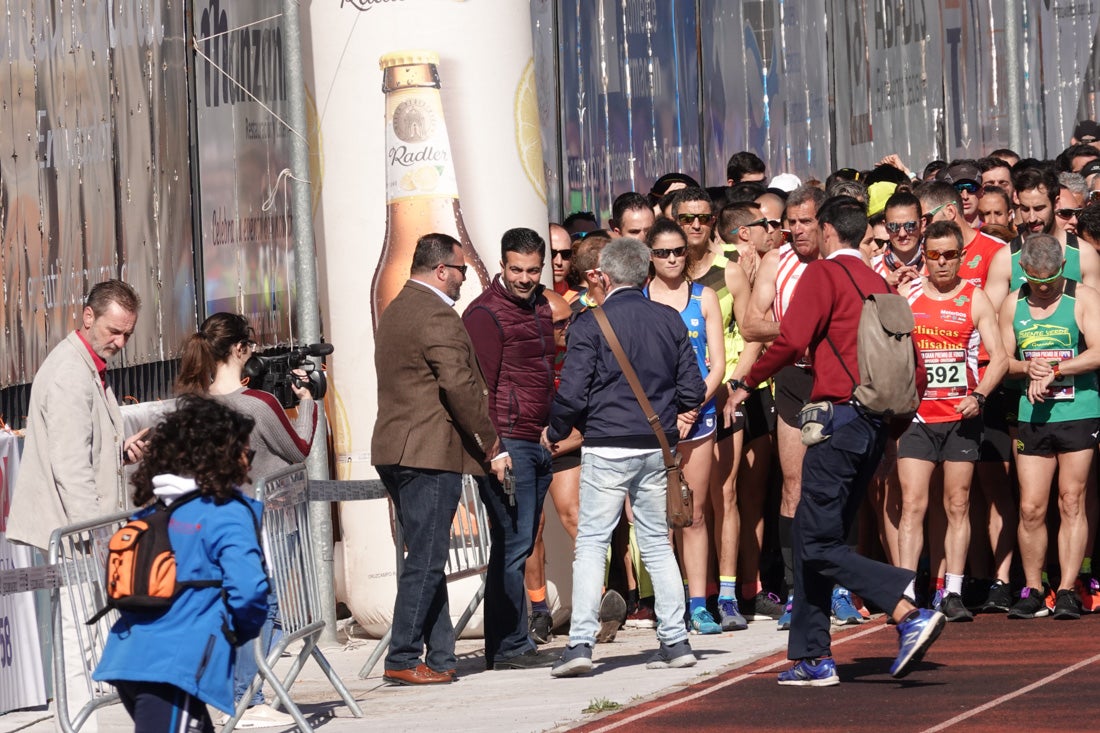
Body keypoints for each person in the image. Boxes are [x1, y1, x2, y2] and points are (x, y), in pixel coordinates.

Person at [729, 197, 944, 686]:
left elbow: (789, 340)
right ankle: (813, 656)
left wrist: (745, 382)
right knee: (816, 536)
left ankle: (907, 609)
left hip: (838, 421)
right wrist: (890, 436)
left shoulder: (823, 275)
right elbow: (917, 372)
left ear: (827, 231)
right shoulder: (877, 283)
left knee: (816, 540)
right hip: (871, 425)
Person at [545, 237, 707, 677]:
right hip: (657, 446)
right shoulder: (669, 319)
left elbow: (572, 392)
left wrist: (555, 431)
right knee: (656, 542)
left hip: (607, 444)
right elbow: (694, 390)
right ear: (646, 274)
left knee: (593, 543)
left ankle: (580, 644)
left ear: (606, 276)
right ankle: (675, 640)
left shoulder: (589, 323)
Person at [7, 279, 148, 732]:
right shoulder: (71, 373)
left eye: (127, 334)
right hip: (76, 530)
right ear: (88, 317)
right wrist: (103, 536)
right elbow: (71, 469)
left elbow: (82, 450)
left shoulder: (87, 364)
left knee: (85, 629)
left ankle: (83, 720)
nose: (119, 342)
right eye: (113, 330)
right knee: (76, 630)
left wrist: (118, 450)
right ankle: (78, 724)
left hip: (80, 527)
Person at [372, 233, 507, 685]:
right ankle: (404, 657)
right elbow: (460, 387)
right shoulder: (437, 315)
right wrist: (489, 441)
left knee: (425, 557)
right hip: (427, 453)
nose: (465, 280)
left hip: (398, 448)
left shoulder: (397, 308)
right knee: (427, 560)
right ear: (442, 270)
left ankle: (442, 657)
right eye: (462, 270)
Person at [93, 395, 269, 733]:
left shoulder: (153, 510)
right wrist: (237, 632)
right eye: (245, 453)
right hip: (175, 668)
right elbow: (249, 589)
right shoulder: (226, 513)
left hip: (129, 659)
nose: (248, 462)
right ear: (222, 456)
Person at [175, 311, 318, 727]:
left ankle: (233, 692)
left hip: (214, 526)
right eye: (251, 346)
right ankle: (244, 698)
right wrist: (307, 403)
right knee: (265, 609)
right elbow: (300, 447)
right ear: (240, 349)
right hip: (268, 524)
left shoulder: (193, 405)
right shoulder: (258, 403)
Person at [894, 221, 1007, 622]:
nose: (942, 263)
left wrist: (978, 397)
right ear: (925, 255)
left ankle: (953, 591)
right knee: (912, 504)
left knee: (957, 503)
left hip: (960, 417)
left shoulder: (975, 299)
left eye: (950, 255)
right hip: (918, 418)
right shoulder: (906, 295)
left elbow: (1000, 358)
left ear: (962, 256)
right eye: (934, 255)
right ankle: (907, 590)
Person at [463, 227, 559, 670]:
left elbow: (542, 371)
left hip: (536, 438)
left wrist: (551, 425)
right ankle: (507, 646)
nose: (524, 278)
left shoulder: (541, 304)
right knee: (513, 543)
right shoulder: (485, 313)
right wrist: (496, 447)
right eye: (516, 269)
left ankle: (511, 643)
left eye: (533, 270)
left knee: (519, 541)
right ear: (501, 265)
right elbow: (478, 386)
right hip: (508, 442)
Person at [1000, 234, 1100, 620]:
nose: (1044, 289)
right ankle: (1033, 588)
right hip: (1032, 415)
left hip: (1078, 410)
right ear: (1023, 271)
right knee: (1030, 507)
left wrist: (1057, 368)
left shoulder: (1084, 298)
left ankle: (1068, 588)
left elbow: (1097, 351)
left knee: (1071, 500)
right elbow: (1003, 358)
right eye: (1036, 282)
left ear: (1063, 269)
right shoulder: (1014, 303)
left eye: (1052, 281)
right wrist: (1028, 368)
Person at [644, 219, 729, 633]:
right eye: (663, 252)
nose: (673, 259)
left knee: (693, 514)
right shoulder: (640, 299)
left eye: (679, 251)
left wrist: (693, 407)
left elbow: (719, 362)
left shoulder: (705, 296)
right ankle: (671, 605)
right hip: (654, 423)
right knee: (660, 518)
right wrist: (667, 413)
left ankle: (699, 603)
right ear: (649, 256)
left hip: (698, 418)